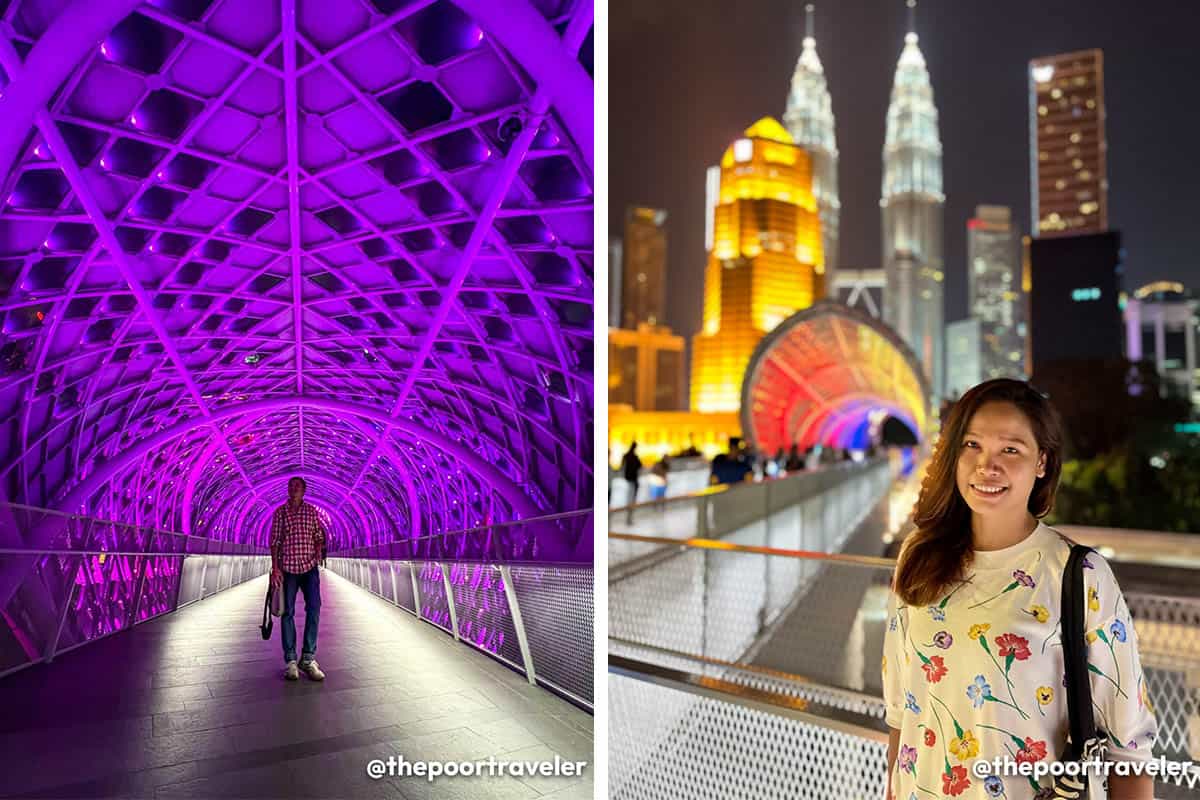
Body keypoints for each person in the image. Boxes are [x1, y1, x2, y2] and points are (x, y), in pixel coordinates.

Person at [882, 379, 1155, 800]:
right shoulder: (917, 560)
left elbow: (1130, 751)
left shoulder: (1079, 575)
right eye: (971, 445)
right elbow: (902, 717)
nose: (986, 466)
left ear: (1042, 462)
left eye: (1010, 449)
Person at [270, 477, 327, 682]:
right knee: (287, 612)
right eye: (291, 486)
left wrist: (319, 550)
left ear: (304, 491)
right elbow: (275, 542)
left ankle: (308, 658)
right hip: (288, 569)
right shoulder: (280, 513)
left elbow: (318, 535)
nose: (294, 489)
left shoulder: (311, 511)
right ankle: (291, 660)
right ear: (288, 490)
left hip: (309, 567)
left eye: (298, 487)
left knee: (314, 608)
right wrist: (275, 568)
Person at [620, 442, 642, 525]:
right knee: (631, 500)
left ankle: (629, 518)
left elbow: (622, 466)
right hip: (632, 481)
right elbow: (640, 466)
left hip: (630, 480)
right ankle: (629, 518)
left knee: (630, 500)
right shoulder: (634, 457)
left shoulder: (626, 456)